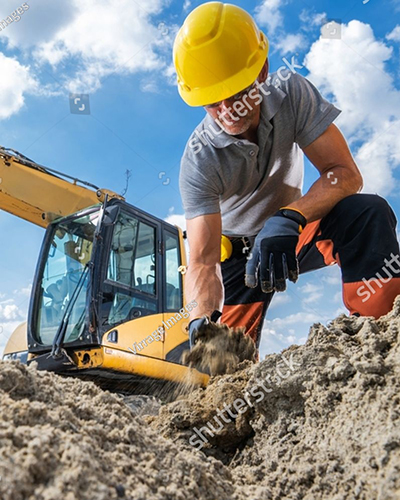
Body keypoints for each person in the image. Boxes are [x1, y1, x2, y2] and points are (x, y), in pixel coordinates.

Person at [173, 2, 400, 350]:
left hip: (294, 230)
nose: (227, 112)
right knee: (223, 362)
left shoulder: (291, 93)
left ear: (262, 71)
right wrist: (200, 318)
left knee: (366, 214)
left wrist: (290, 217)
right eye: (212, 103)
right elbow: (203, 260)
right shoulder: (199, 160)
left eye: (236, 94)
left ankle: (379, 340)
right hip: (239, 260)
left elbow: (345, 175)